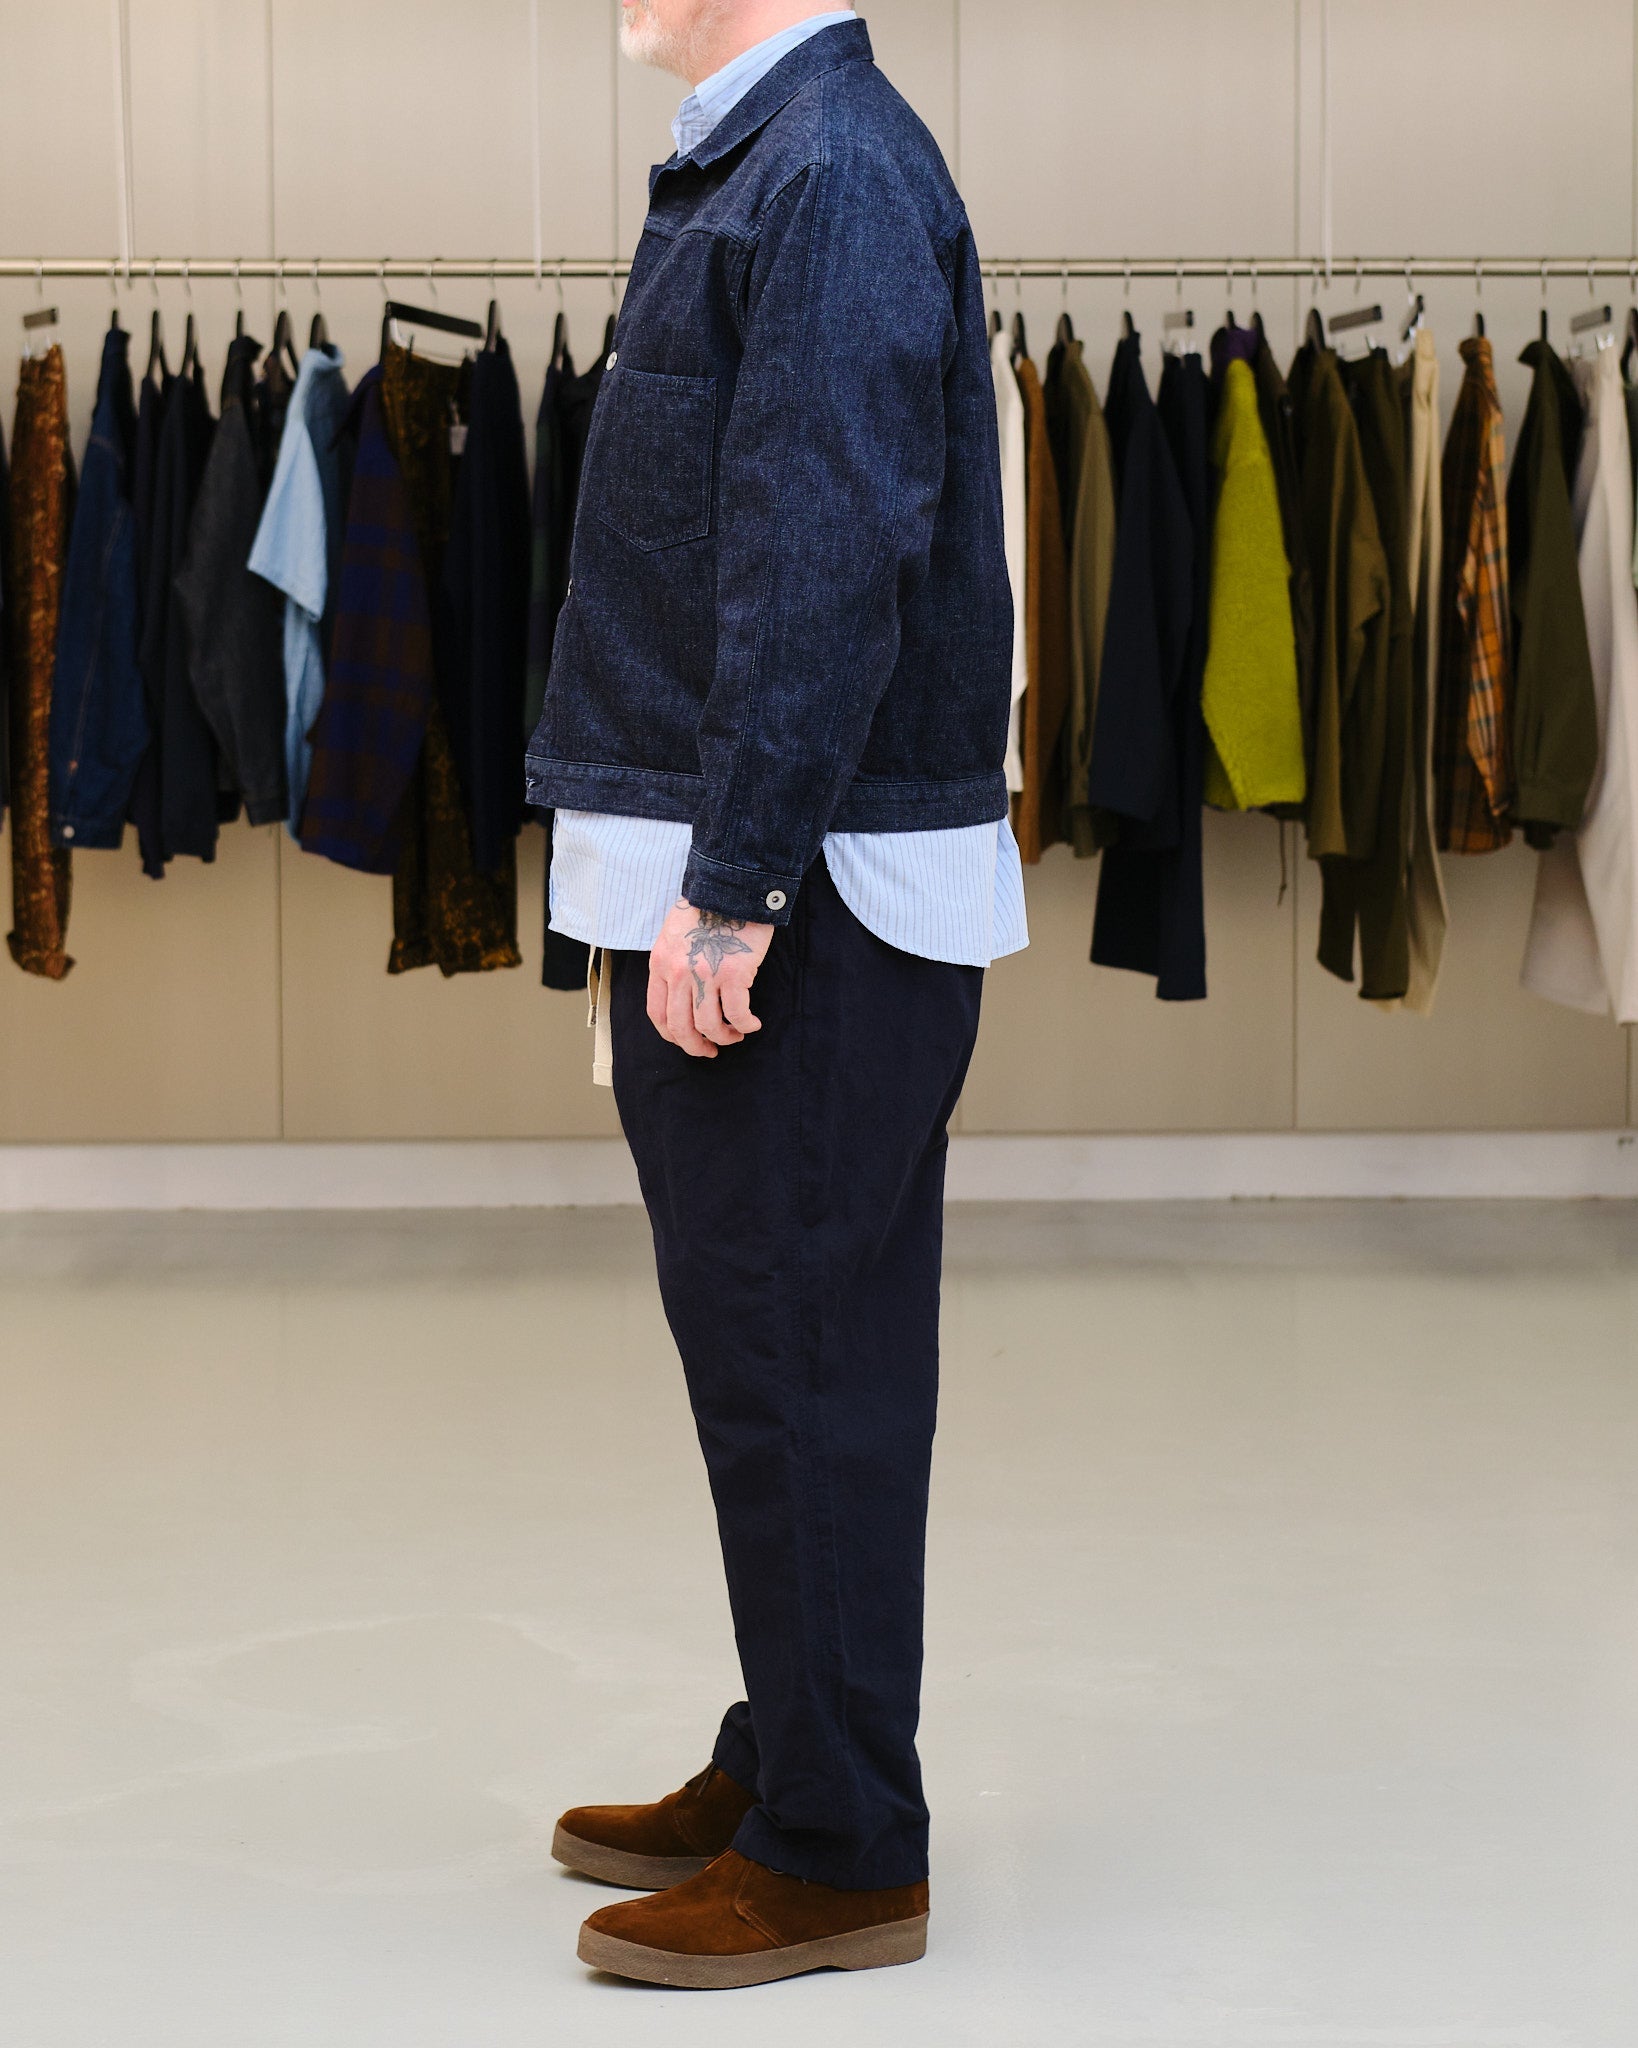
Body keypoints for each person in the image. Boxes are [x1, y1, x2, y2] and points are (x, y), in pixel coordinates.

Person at [524, 0, 1024, 1989]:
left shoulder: (825, 172)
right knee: (783, 1357)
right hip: (778, 886)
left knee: (801, 1363)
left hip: (796, 906)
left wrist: (733, 883)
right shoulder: (783, 161)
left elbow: (821, 552)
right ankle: (793, 1754)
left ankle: (838, 1846)